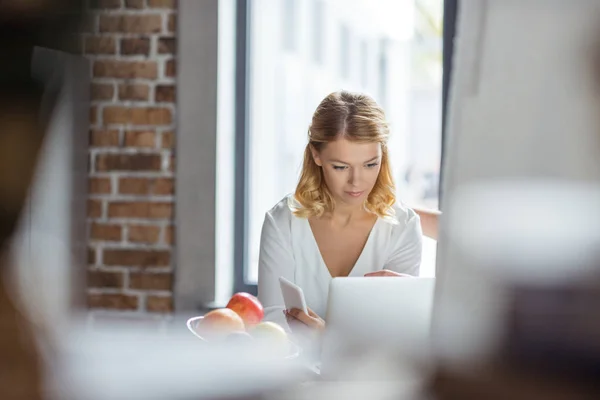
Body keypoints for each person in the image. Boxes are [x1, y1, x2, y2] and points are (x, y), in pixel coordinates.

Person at [257, 90, 423, 337]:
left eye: (370, 164)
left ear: (383, 155)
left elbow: (397, 337)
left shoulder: (402, 227)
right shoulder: (283, 222)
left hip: (373, 376)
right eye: (341, 167)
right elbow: (273, 328)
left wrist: (328, 339)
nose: (356, 181)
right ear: (316, 156)